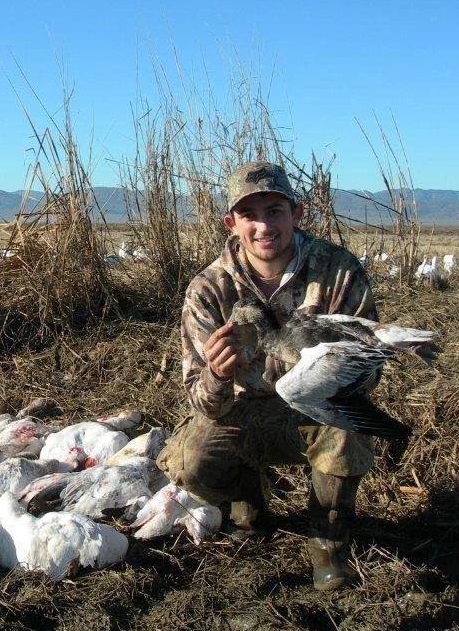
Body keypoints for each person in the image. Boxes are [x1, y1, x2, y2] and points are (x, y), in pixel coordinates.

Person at [157, 160, 379, 591]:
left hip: (317, 413)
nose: (263, 225)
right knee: (191, 460)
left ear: (296, 214)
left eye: (274, 210)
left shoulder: (338, 272)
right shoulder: (209, 289)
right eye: (249, 215)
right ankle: (249, 500)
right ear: (231, 222)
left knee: (346, 428)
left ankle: (328, 544)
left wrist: (331, 376)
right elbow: (201, 402)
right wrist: (217, 376)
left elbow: (370, 367)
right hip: (245, 415)